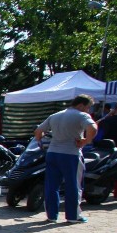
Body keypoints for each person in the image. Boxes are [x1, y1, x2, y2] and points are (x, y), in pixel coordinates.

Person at [34, 94, 97, 223]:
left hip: (52, 153)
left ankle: (51, 215)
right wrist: (86, 141)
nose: (88, 110)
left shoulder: (55, 115)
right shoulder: (82, 115)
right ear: (81, 105)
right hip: (71, 154)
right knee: (73, 185)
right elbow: (93, 128)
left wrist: (41, 142)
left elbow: (38, 131)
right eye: (88, 107)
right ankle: (73, 216)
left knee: (51, 185)